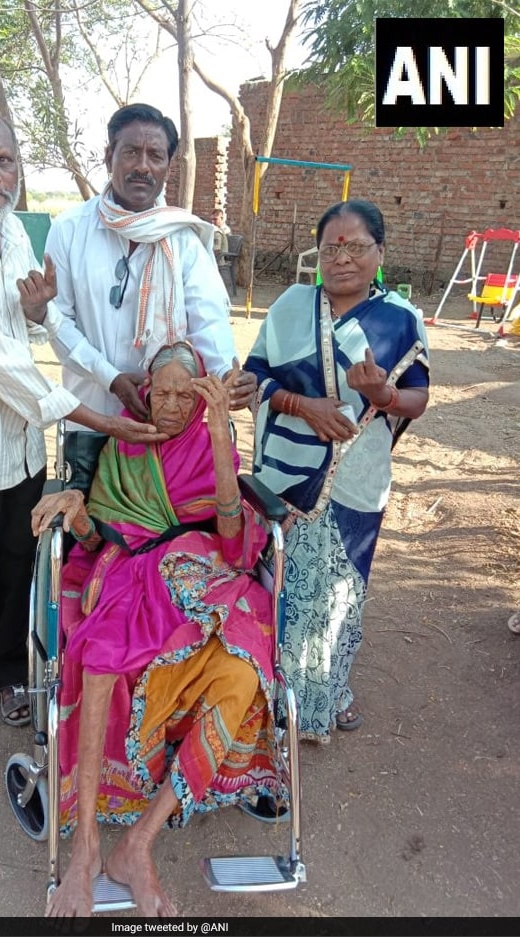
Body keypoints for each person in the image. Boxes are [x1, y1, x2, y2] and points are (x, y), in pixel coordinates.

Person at [0, 104, 167, 743]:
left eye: (3, 160)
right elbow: (4, 368)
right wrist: (107, 420)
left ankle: (8, 672)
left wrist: (40, 314)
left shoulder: (13, 231)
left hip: (18, 446)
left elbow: (17, 329)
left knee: (19, 562)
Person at [30, 342, 282, 917]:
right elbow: (96, 540)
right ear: (145, 390)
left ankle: (139, 842)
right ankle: (88, 846)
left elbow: (229, 535)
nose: (168, 405)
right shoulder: (126, 440)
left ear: (199, 395)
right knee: (100, 656)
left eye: (180, 394)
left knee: (244, 667)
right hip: (130, 569)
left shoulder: (208, 434)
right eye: (159, 392)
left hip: (202, 567)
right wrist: (77, 507)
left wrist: (221, 436)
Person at [244, 199, 430, 752]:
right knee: (281, 583)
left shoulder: (399, 318)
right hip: (287, 473)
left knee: (344, 588)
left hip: (357, 474)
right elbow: (255, 377)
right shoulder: (290, 306)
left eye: (355, 246)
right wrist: (303, 406)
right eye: (331, 247)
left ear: (380, 252)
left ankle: (331, 687)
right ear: (317, 252)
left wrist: (385, 394)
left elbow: (418, 397)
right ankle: (275, 691)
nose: (342, 257)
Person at [36, 103, 255, 494]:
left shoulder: (183, 238)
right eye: (131, 152)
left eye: (155, 155)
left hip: (164, 428)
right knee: (86, 539)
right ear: (109, 157)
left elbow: (208, 320)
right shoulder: (69, 230)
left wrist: (226, 376)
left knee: (158, 542)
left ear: (168, 166)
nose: (143, 166)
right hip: (91, 419)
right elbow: (58, 323)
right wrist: (113, 379)